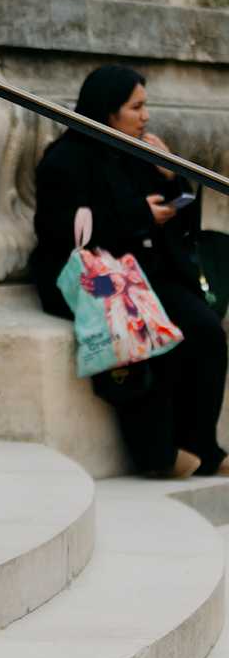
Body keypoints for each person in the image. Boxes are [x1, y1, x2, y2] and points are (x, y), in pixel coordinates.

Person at [31, 64, 228, 480]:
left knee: (206, 330)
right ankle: (158, 455)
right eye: (136, 107)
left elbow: (181, 218)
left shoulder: (139, 154)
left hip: (146, 273)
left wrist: (172, 176)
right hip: (94, 279)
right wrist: (139, 215)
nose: (146, 116)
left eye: (145, 106)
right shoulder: (65, 160)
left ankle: (202, 447)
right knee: (150, 330)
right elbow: (63, 232)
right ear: (107, 111)